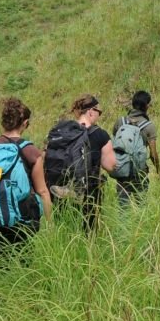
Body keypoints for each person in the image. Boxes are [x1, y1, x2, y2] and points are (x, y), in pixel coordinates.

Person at [0, 97, 52, 245]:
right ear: (25, 123)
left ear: (4, 122)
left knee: (2, 259)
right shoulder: (30, 151)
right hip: (23, 218)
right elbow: (43, 191)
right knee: (25, 260)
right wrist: (50, 224)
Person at [46, 94, 116, 230]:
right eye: (99, 112)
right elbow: (111, 166)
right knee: (88, 234)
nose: (99, 115)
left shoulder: (61, 133)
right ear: (91, 111)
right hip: (88, 194)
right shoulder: (100, 134)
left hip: (59, 193)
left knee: (65, 233)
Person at [112, 90, 160, 206]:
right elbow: (153, 155)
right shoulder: (149, 126)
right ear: (147, 106)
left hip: (122, 169)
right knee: (141, 205)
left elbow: (115, 143)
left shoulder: (120, 122)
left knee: (123, 207)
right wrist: (159, 171)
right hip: (139, 171)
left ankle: (123, 224)